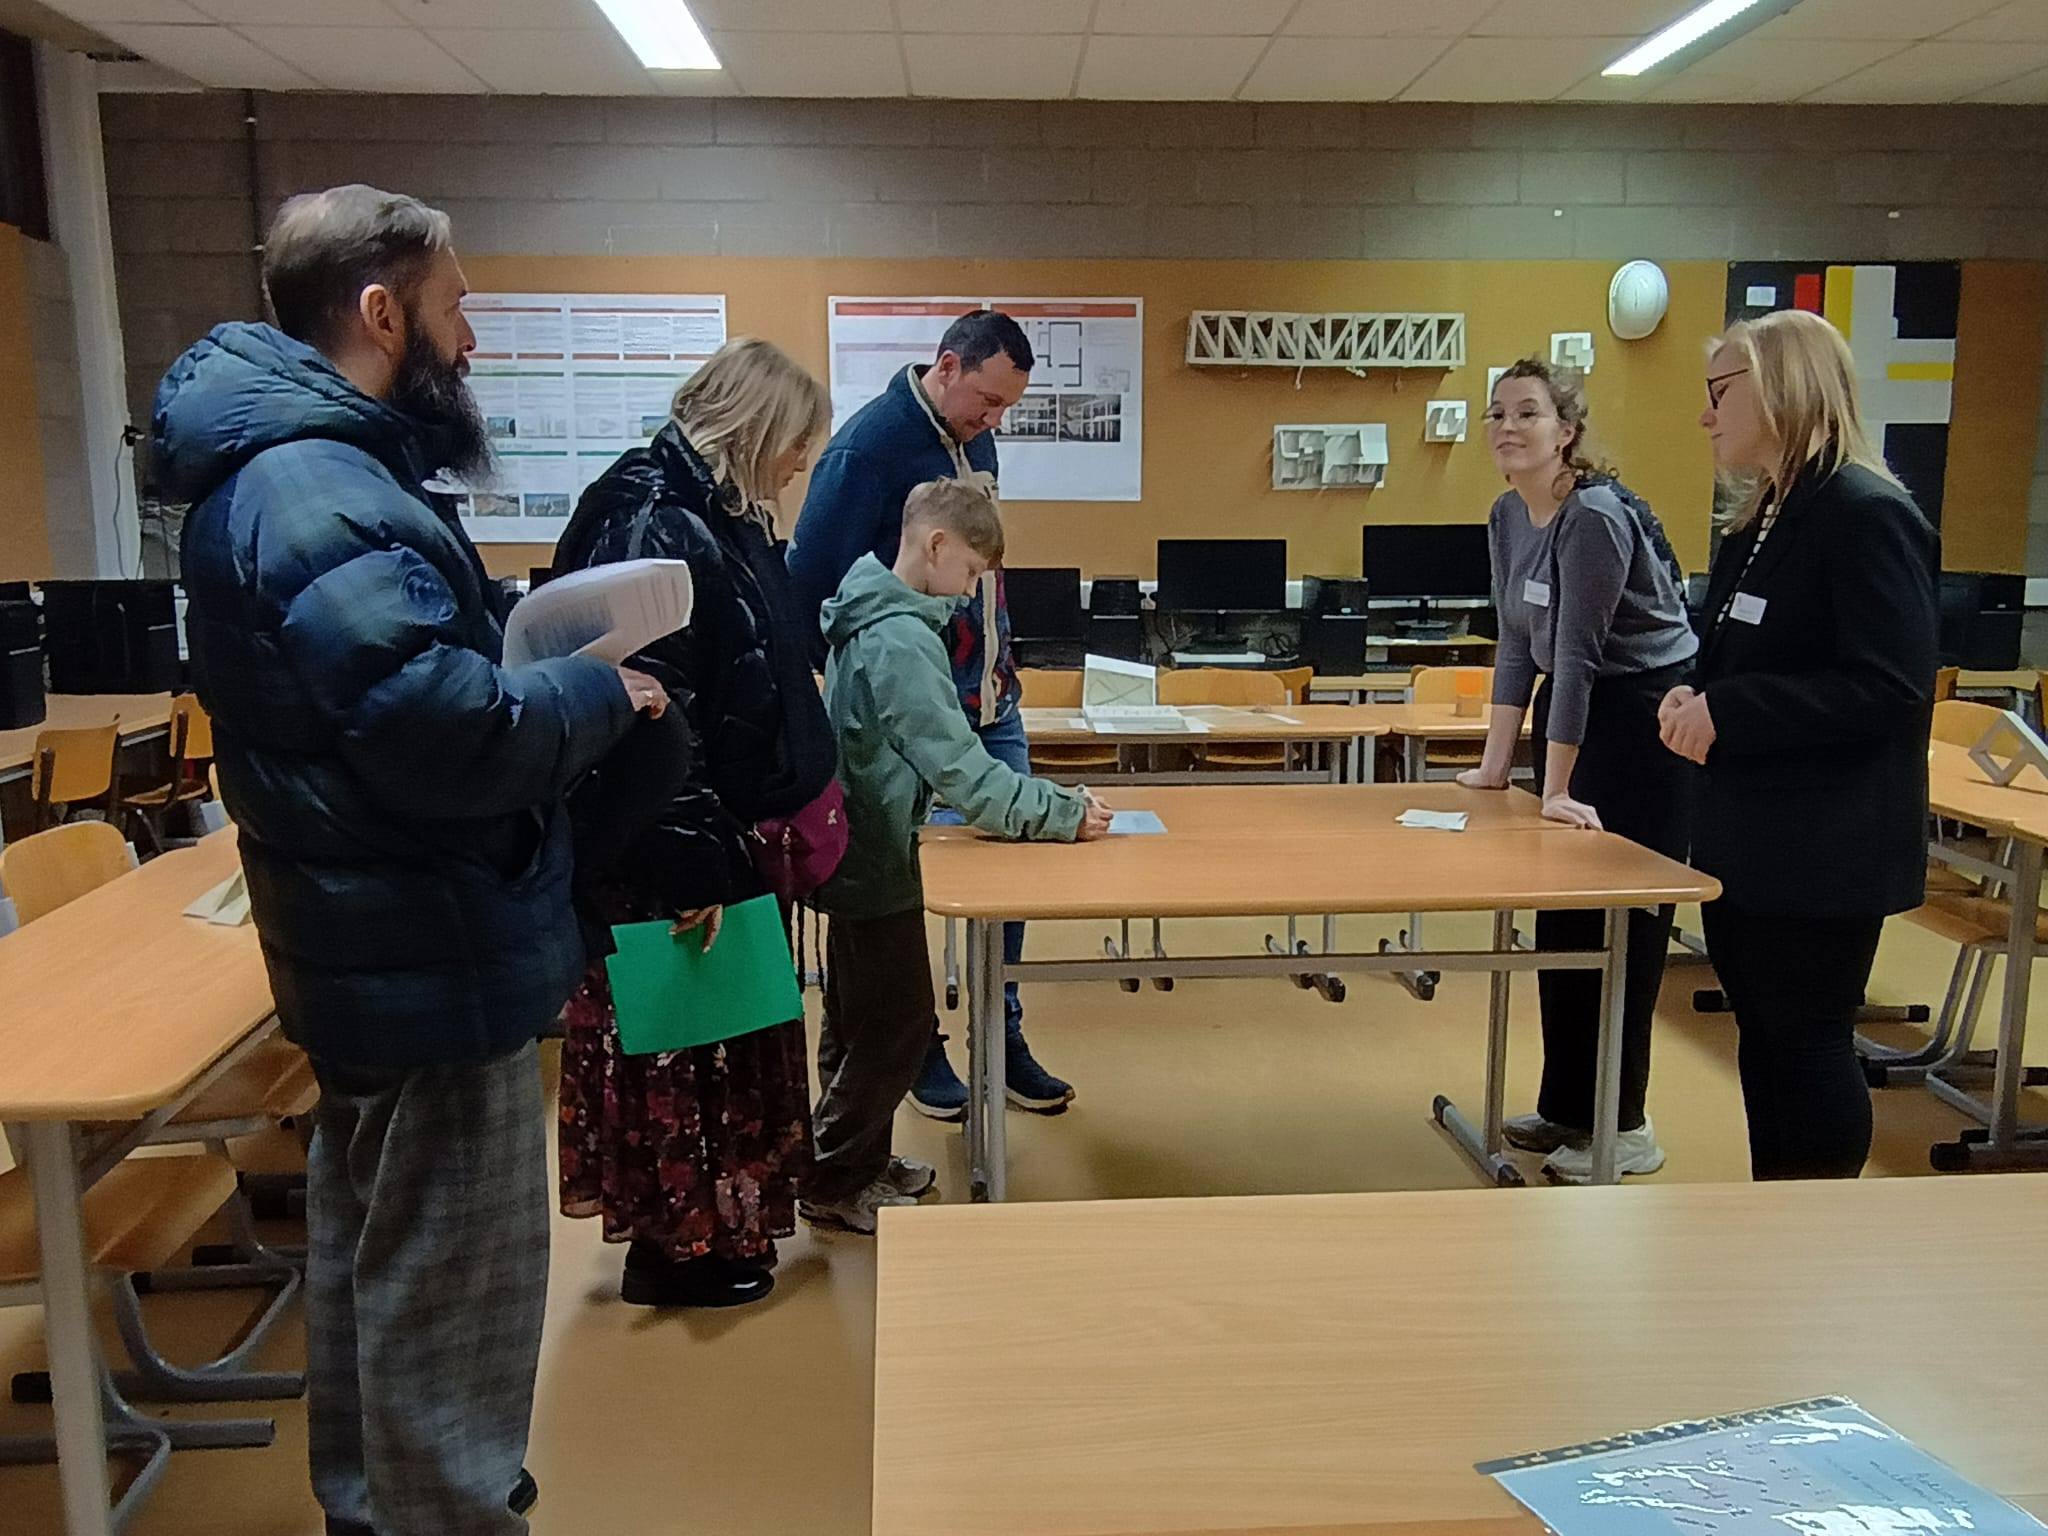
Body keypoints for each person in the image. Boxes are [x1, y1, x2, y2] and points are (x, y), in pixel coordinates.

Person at [162, 185, 659, 1535]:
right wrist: (596, 696)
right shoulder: (318, 489)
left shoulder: (295, 473)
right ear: (382, 313)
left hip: (378, 947)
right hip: (428, 956)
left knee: (378, 1267)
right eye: (456, 309)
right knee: (453, 1295)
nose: (472, 340)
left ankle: (372, 1509)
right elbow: (445, 735)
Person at [550, 337, 839, 1308]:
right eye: (794, 443)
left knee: (723, 1042)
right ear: (752, 429)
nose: (799, 465)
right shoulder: (651, 522)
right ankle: (678, 1250)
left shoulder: (710, 514)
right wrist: (694, 868)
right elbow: (648, 711)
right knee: (682, 1053)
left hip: (717, 833)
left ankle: (714, 1233)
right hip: (671, 851)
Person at [1662, 309, 1938, 1181]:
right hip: (1750, 832)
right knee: (1762, 1033)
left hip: (1825, 844)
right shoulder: (1763, 520)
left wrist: (1734, 709)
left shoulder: (1865, 514)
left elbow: (1890, 686)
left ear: (1781, 387)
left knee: (1809, 1038)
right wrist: (1696, 694)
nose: (1706, 416)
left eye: (1720, 393)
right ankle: (1773, 1214)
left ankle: (1818, 1231)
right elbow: (1750, 653)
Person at [805, 479, 1112, 1233]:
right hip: (874, 858)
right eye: (972, 571)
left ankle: (853, 1162)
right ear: (936, 546)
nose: (973, 591)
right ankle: (835, 1180)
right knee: (897, 1024)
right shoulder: (900, 640)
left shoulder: (871, 612)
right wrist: (1060, 811)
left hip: (860, 846)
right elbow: (961, 771)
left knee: (857, 1019)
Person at [787, 310, 1071, 1122]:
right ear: (947, 367)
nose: (995, 421)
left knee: (1011, 875)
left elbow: (982, 562)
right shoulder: (866, 450)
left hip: (991, 695)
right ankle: (919, 1047)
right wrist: (865, 696)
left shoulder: (976, 438)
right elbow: (811, 587)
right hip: (914, 700)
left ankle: (1001, 1033)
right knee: (894, 893)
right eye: (988, 400)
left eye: (1007, 407)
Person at [1457, 359, 1699, 1183]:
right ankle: (1569, 1105)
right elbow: (1517, 641)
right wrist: (1496, 769)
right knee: (1563, 916)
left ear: (1567, 431)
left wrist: (1556, 789)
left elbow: (1579, 657)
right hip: (1576, 714)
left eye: (1527, 412)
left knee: (1621, 924)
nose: (1507, 427)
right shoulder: (1506, 513)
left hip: (1642, 719)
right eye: (1497, 414)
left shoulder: (1592, 516)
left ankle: (1624, 1125)